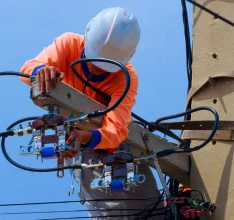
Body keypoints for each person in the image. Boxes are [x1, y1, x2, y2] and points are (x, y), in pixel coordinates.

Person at [19, 7, 162, 219]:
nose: (97, 69)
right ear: (86, 35)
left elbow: (117, 129)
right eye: (93, 59)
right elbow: (26, 69)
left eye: (105, 68)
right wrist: (41, 71)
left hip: (110, 146)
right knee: (109, 213)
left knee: (154, 209)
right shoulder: (68, 44)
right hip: (84, 148)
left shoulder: (125, 77)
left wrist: (87, 137)